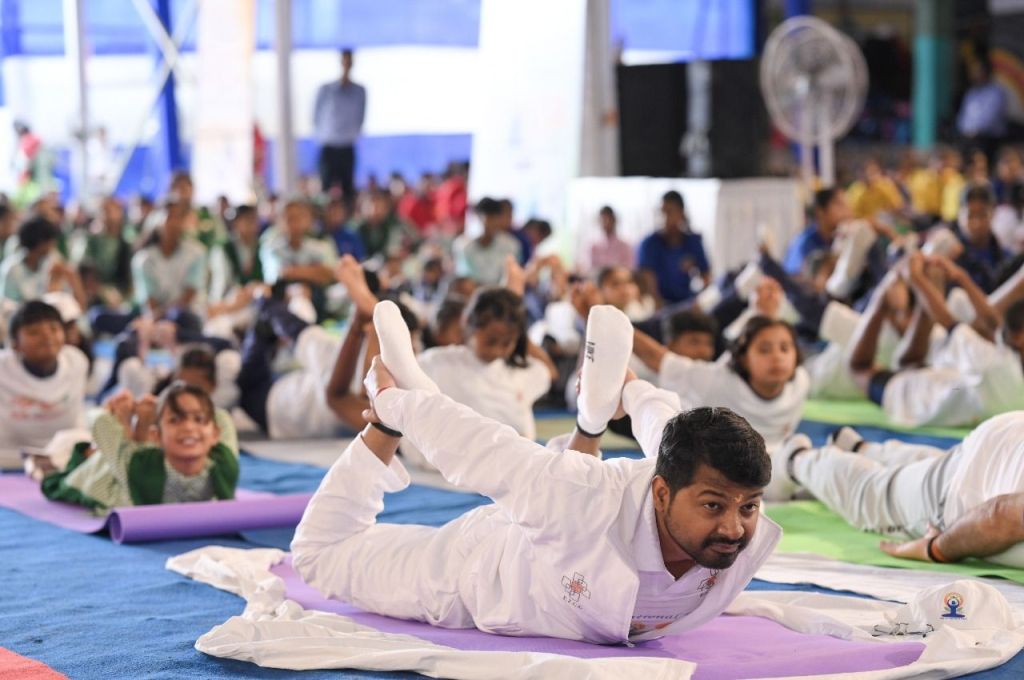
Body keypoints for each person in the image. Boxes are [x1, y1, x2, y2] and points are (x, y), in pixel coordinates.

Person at [291, 302, 780, 643]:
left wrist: (634, 393)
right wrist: (391, 407)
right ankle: (408, 399)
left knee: (585, 497)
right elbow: (478, 448)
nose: (734, 528)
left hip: (571, 532)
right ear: (662, 493)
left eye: (749, 507)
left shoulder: (729, 518)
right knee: (318, 554)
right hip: (481, 568)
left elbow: (664, 426)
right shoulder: (577, 495)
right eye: (714, 505)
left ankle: (592, 419)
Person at [775, 411, 1024, 568]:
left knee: (953, 464)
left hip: (1004, 438)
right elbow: (999, 515)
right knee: (872, 494)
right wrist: (936, 548)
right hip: (959, 495)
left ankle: (862, 449)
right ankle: (795, 458)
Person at [848, 257, 1024, 427]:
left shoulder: (997, 366)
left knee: (858, 366)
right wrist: (961, 277)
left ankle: (882, 299)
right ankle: (922, 288)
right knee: (911, 360)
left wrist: (915, 277)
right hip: (939, 377)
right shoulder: (1008, 359)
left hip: (916, 398)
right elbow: (993, 323)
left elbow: (949, 322)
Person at [41, 383, 238, 513]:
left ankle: (138, 433)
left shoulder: (223, 460)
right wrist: (114, 409)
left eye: (198, 419)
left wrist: (169, 403)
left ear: (215, 434)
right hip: (109, 482)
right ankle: (130, 432)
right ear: (157, 436)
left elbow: (221, 416)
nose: (189, 427)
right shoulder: (138, 469)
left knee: (125, 454)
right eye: (175, 420)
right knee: (102, 461)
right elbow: (98, 420)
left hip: (138, 458)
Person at [633, 316, 808, 453]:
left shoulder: (801, 381)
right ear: (744, 359)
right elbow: (657, 358)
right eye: (764, 350)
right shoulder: (715, 380)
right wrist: (621, 326)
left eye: (785, 348)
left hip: (782, 463)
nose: (777, 357)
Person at [0, 301, 89, 467]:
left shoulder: (76, 361)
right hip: (8, 461)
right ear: (14, 344)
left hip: (64, 459)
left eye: (54, 329)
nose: (47, 337)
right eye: (34, 332)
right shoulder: (2, 368)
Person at [131, 199, 207, 319]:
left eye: (178, 218)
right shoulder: (143, 259)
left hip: (187, 317)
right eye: (170, 217)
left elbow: (188, 297)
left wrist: (164, 316)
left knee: (181, 316)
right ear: (157, 222)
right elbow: (150, 304)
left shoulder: (196, 253)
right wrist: (158, 319)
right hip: (155, 319)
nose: (175, 223)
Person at [637, 191, 710, 306]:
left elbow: (706, 276)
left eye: (670, 212)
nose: (665, 218)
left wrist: (700, 301)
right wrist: (661, 309)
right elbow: (648, 282)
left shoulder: (693, 242)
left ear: (681, 213)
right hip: (660, 305)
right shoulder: (649, 244)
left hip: (687, 303)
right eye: (662, 213)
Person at [314, 48, 366, 206]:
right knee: (325, 191)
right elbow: (316, 116)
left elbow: (360, 117)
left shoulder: (359, 91)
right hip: (329, 146)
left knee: (348, 192)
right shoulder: (326, 90)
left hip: (347, 146)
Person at [0, 216, 84, 307]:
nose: (53, 245)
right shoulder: (12, 269)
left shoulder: (51, 263)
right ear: (40, 243)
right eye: (50, 241)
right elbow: (8, 306)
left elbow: (72, 301)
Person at [782, 188, 852, 275]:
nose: (847, 211)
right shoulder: (804, 242)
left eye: (847, 205)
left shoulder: (842, 238)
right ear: (820, 211)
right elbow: (793, 275)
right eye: (839, 205)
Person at [452, 198, 522, 285]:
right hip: (472, 291)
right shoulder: (463, 245)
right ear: (478, 217)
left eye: (494, 218)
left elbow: (513, 276)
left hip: (501, 291)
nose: (491, 223)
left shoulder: (511, 245)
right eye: (488, 218)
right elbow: (463, 277)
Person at [957, 58, 1008, 166]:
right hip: (969, 137)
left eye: (977, 71)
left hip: (988, 138)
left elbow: (990, 119)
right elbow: (963, 118)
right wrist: (965, 131)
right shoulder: (971, 92)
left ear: (986, 72)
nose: (974, 75)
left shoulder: (996, 92)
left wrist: (974, 132)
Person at [209, 205, 264, 303]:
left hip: (257, 299)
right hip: (229, 300)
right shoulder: (224, 248)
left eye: (255, 220)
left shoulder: (261, 246)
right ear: (236, 223)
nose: (253, 225)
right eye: (248, 220)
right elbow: (222, 283)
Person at [588, 205, 635, 271]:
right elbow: (590, 271)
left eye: (609, 219)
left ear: (614, 220)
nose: (606, 222)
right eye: (603, 219)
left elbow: (629, 271)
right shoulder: (593, 247)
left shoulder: (625, 246)